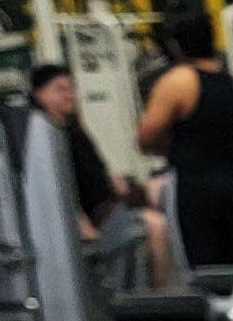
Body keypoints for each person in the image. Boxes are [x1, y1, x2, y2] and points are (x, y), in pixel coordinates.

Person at [26, 59, 164, 286]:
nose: (69, 95)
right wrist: (84, 227)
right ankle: (146, 300)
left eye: (71, 89)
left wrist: (112, 178)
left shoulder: (72, 130)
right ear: (39, 95)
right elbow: (61, 191)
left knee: (163, 191)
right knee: (156, 226)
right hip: (99, 212)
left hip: (109, 200)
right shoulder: (44, 140)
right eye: (60, 90)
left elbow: (92, 170)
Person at [133, 9, 233, 274]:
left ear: (175, 45)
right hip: (230, 183)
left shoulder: (178, 81)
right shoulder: (228, 80)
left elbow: (145, 137)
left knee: (201, 270)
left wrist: (168, 146)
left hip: (193, 189)